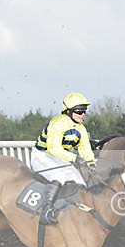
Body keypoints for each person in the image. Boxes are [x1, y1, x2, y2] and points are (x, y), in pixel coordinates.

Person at [30, 92, 97, 225]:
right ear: (68, 111)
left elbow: (85, 148)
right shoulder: (57, 123)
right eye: (79, 112)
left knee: (80, 182)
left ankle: (75, 214)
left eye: (84, 111)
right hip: (42, 155)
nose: (83, 115)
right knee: (59, 176)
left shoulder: (81, 129)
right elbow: (53, 148)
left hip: (59, 158)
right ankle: (46, 211)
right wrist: (75, 158)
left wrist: (91, 162)